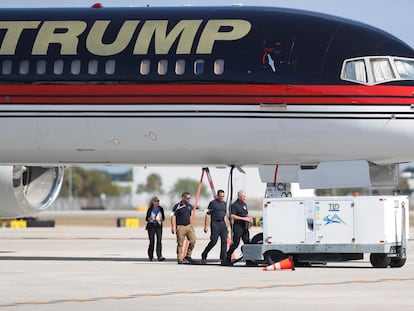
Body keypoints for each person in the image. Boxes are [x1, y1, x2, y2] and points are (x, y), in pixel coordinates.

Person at [223, 190, 253, 266]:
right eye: (243, 197)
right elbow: (232, 216)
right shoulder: (234, 205)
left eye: (245, 197)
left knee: (247, 243)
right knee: (236, 243)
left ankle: (249, 260)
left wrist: (249, 218)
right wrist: (243, 219)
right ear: (239, 197)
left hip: (245, 227)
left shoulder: (244, 204)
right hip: (238, 227)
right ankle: (228, 257)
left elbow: (246, 213)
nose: (245, 198)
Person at [201, 189, 230, 264]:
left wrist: (227, 226)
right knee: (214, 241)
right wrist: (206, 226)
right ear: (217, 196)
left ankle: (223, 258)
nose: (222, 198)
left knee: (224, 241)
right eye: (220, 196)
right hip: (215, 224)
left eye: (223, 196)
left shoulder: (224, 204)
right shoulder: (212, 203)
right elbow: (208, 214)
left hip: (222, 224)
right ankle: (204, 253)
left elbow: (225, 216)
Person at [171, 192, 196, 264]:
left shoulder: (189, 206)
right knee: (180, 243)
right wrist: (173, 227)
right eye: (187, 198)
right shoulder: (177, 206)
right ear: (183, 198)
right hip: (180, 227)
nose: (189, 200)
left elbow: (190, 216)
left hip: (188, 226)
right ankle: (179, 258)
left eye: (189, 198)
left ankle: (188, 255)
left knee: (193, 240)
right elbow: (173, 216)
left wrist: (191, 225)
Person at [145, 196, 165, 261]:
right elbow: (146, 218)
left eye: (158, 201)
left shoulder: (160, 209)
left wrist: (159, 219)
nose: (157, 202)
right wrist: (150, 218)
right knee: (152, 241)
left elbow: (163, 218)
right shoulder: (150, 209)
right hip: (151, 226)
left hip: (158, 226)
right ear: (153, 202)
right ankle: (150, 255)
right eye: (156, 201)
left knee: (159, 240)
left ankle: (159, 255)